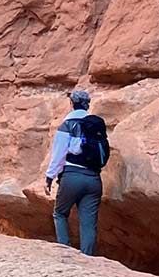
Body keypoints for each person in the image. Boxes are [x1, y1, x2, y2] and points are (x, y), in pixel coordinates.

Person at [43, 89, 109, 255]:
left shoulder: (67, 125)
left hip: (72, 176)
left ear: (71, 104)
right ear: (87, 105)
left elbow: (59, 155)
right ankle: (88, 258)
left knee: (60, 213)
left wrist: (50, 177)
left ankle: (66, 254)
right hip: (94, 179)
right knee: (88, 222)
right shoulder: (95, 126)